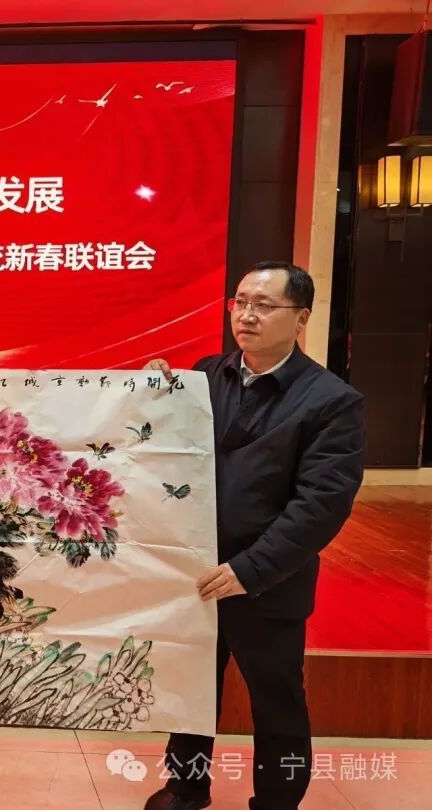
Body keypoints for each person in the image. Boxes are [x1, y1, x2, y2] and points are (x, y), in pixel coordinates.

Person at [142, 261, 365, 810]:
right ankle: (186, 788)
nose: (246, 315)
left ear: (301, 318)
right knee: (193, 692)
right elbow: (166, 450)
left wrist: (250, 570)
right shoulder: (205, 376)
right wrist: (152, 393)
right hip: (197, 571)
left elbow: (321, 505)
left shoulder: (330, 400)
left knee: (276, 700)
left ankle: (277, 801)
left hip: (267, 581)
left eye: (264, 305)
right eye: (240, 302)